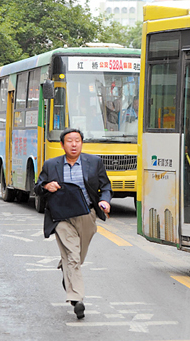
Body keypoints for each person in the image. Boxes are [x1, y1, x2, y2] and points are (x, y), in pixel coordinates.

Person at [34, 128, 112, 320]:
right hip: (61, 217)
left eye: (77, 140)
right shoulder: (51, 165)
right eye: (70, 141)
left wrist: (105, 201)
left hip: (86, 215)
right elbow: (37, 187)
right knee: (73, 256)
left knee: (77, 257)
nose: (74, 144)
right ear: (62, 145)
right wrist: (46, 186)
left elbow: (106, 187)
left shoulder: (94, 162)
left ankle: (67, 272)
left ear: (81, 143)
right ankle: (77, 299)